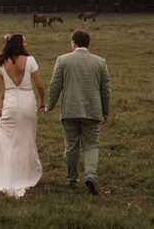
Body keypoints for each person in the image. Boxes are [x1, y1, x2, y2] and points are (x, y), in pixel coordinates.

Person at [44, 28, 112, 195]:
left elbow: (55, 85)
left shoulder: (62, 60)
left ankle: (72, 179)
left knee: (71, 145)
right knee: (91, 145)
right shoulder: (100, 62)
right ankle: (90, 174)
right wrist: (105, 111)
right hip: (93, 110)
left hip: (70, 111)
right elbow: (106, 90)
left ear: (74, 43)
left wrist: (49, 106)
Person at [0, 33, 46, 197]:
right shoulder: (30, 60)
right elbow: (40, 85)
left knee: (7, 140)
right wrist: (42, 101)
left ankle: (7, 172)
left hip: (10, 104)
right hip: (28, 103)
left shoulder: (0, 62)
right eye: (25, 41)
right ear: (20, 44)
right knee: (27, 138)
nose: (27, 43)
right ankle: (25, 172)